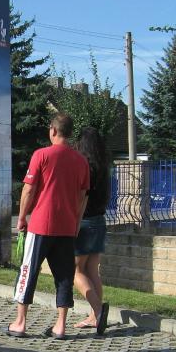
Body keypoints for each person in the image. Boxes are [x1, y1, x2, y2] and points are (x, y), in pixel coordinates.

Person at [5, 113, 90, 340]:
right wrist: (76, 223)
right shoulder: (81, 161)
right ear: (70, 132)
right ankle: (60, 326)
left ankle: (20, 322)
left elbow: (29, 189)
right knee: (64, 275)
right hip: (67, 227)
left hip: (41, 225)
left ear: (53, 130)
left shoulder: (41, 155)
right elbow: (83, 196)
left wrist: (22, 217)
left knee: (28, 271)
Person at [72, 127, 111, 335]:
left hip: (84, 222)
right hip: (99, 221)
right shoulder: (104, 167)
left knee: (75, 271)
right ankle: (94, 316)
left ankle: (98, 310)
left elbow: (80, 197)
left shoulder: (84, 167)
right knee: (92, 270)